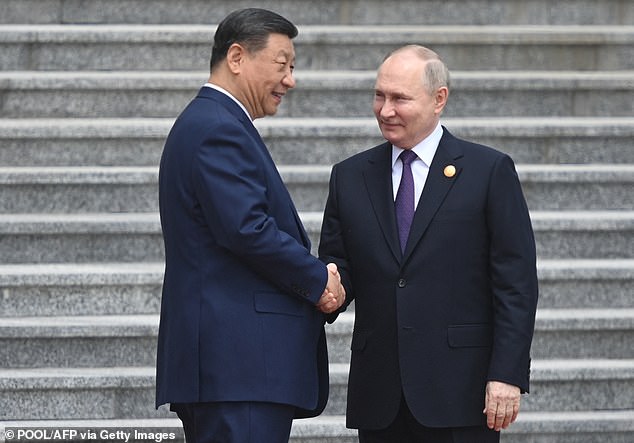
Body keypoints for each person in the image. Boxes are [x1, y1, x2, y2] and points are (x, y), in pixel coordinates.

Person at [318, 45, 539, 442]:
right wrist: (330, 288)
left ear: (439, 99)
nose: (385, 110)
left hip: (461, 390)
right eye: (379, 95)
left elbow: (516, 283)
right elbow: (339, 262)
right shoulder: (350, 176)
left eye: (400, 98)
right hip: (380, 393)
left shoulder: (488, 171)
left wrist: (506, 374)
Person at [155, 8, 345, 443]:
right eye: (282, 65)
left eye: (293, 68)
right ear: (237, 57)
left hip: (231, 367)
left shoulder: (213, 122)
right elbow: (247, 229)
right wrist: (319, 279)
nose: (290, 80)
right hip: (237, 366)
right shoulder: (217, 127)